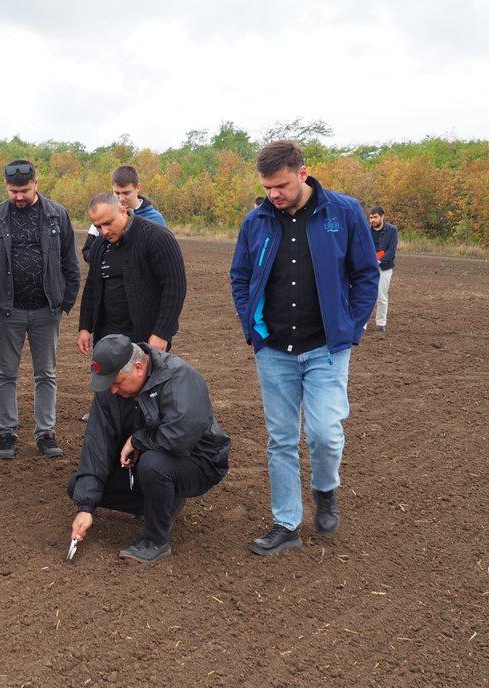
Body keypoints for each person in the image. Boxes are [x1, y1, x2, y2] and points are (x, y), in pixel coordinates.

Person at [230, 140, 379, 556]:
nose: (273, 195)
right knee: (280, 439)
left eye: (279, 186)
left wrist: (350, 327)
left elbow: (366, 274)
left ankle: (325, 490)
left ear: (302, 173)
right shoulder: (256, 220)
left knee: (325, 434)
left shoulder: (344, 212)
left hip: (326, 347)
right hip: (274, 348)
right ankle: (286, 523)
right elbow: (240, 277)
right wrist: (251, 327)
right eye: (266, 187)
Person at [68, 334, 229, 563]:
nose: (112, 390)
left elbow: (181, 437)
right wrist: (85, 507)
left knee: (153, 464)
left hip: (199, 460)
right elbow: (97, 444)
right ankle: (164, 502)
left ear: (139, 367)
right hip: (151, 462)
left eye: (117, 382)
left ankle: (156, 540)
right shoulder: (110, 390)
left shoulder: (179, 376)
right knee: (78, 486)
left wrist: (137, 441)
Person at [0, 160, 80, 459]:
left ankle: (46, 433)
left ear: (36, 184)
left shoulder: (57, 215)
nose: (19, 197)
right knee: (6, 373)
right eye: (14, 191)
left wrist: (65, 301)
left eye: (25, 190)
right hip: (9, 310)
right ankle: (6, 432)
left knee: (46, 374)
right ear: (6, 187)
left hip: (46, 310)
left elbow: (71, 263)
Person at [77, 193, 186, 356]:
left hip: (146, 337)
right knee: (106, 381)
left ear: (122, 211)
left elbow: (175, 288)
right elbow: (92, 287)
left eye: (108, 223)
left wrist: (162, 332)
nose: (104, 231)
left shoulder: (157, 237)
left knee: (147, 381)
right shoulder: (99, 245)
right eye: (98, 227)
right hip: (107, 335)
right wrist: (85, 327)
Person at [82, 164, 167, 262]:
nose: (121, 198)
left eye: (126, 193)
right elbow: (87, 252)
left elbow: (163, 255)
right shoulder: (103, 217)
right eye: (117, 193)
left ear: (138, 187)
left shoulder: (155, 219)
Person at [368, 206, 398, 334]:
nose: (372, 220)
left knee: (381, 297)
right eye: (370, 218)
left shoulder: (392, 230)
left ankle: (381, 324)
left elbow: (391, 250)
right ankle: (361, 324)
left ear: (382, 216)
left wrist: (378, 261)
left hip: (384, 268)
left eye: (375, 217)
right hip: (367, 268)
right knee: (364, 295)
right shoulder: (365, 230)